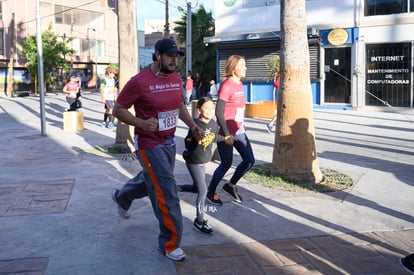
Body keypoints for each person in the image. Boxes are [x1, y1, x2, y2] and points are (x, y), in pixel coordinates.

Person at [110, 38, 204, 261]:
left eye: (176, 56)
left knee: (152, 180)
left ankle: (123, 197)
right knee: (166, 190)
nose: (174, 59)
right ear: (157, 55)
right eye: (170, 55)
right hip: (149, 144)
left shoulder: (175, 78)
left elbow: (179, 106)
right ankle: (169, 244)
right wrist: (141, 123)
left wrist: (193, 125)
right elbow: (118, 109)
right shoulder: (140, 81)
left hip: (168, 141)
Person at [206, 55, 255, 206]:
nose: (245, 68)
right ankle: (210, 192)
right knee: (226, 164)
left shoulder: (239, 84)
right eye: (242, 65)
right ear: (234, 69)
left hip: (238, 129)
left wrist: (242, 122)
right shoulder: (226, 86)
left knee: (249, 161)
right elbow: (219, 112)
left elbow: (238, 107)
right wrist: (227, 134)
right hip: (225, 131)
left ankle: (230, 185)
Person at [177, 97, 226, 234]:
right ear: (199, 110)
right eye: (206, 108)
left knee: (196, 188)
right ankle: (199, 221)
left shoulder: (213, 124)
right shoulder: (195, 125)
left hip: (203, 161)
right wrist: (195, 137)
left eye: (212, 108)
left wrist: (226, 139)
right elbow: (187, 143)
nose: (210, 111)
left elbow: (215, 137)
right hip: (193, 161)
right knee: (203, 191)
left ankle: (174, 188)